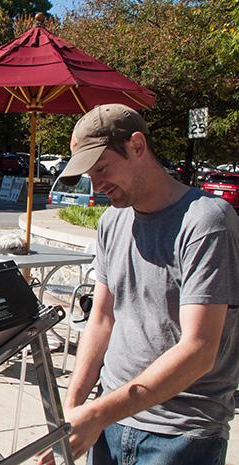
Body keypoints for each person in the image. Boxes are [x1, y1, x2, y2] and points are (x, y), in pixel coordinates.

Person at [39, 104, 239, 465]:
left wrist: (97, 414)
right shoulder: (112, 223)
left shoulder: (207, 223)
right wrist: (73, 410)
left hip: (182, 434)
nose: (97, 185)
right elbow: (101, 319)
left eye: (102, 168)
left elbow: (199, 349)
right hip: (111, 421)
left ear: (137, 146)